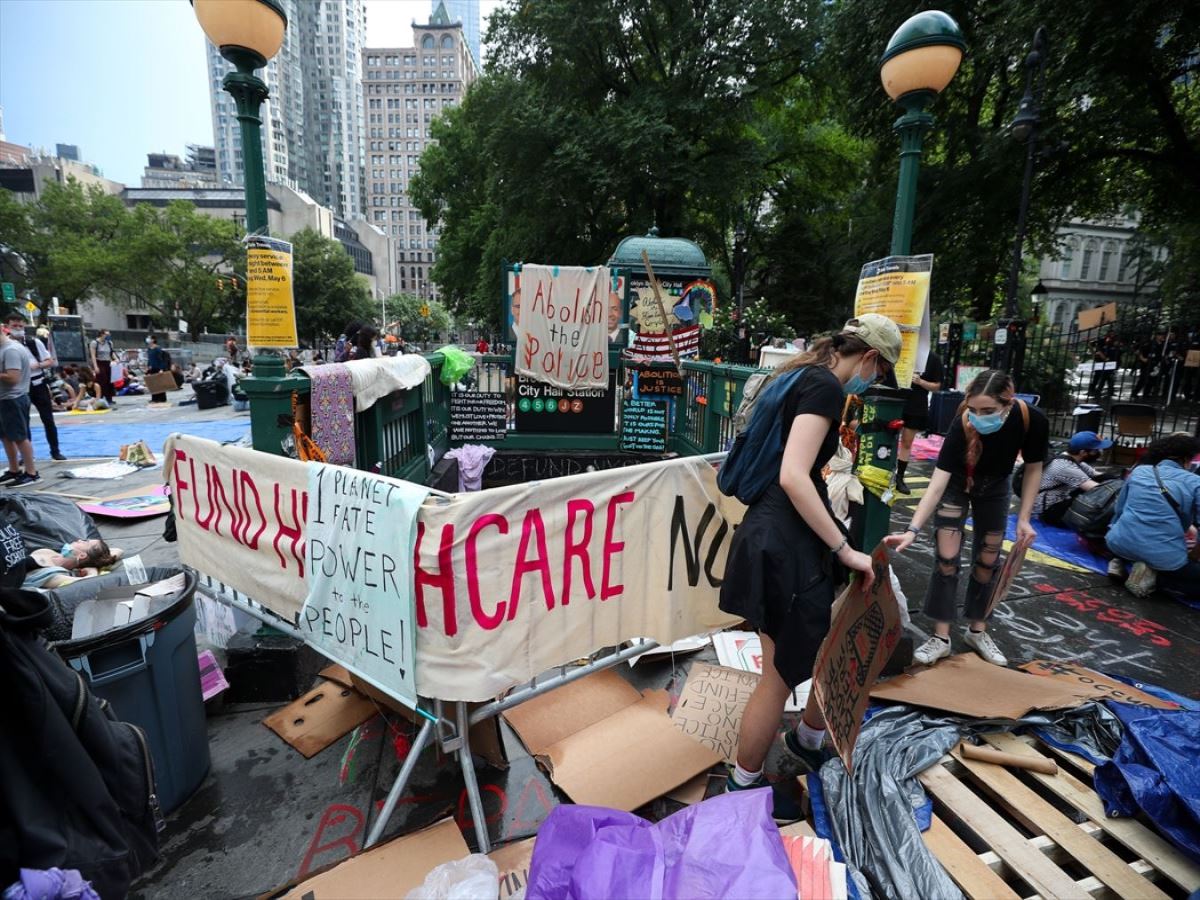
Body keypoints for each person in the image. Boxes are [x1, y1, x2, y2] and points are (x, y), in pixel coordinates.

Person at [721, 314, 900, 822]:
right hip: (784, 542)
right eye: (880, 372)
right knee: (777, 678)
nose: (875, 383)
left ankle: (801, 740)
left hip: (772, 533)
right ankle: (743, 786)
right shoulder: (824, 386)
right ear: (869, 357)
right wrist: (844, 549)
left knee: (786, 662)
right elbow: (795, 476)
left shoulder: (799, 374)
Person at [887, 369, 1048, 667]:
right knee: (946, 560)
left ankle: (978, 630)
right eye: (973, 409)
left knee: (988, 561)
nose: (978, 416)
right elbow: (937, 484)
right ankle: (941, 637)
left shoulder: (1031, 419)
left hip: (996, 486)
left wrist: (1025, 518)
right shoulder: (963, 422)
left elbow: (1034, 469)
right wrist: (912, 529)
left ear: (1008, 404)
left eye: (988, 411)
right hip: (956, 486)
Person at [1106, 433, 1200, 598]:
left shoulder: (1139, 472)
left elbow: (1119, 510)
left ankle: (1122, 560)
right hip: (1164, 556)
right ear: (1186, 459)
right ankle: (1155, 578)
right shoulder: (1194, 482)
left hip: (1117, 543)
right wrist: (1193, 555)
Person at [6, 313, 65, 461]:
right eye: (14, 326)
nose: (18, 328)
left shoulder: (34, 342)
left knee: (48, 419)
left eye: (20, 325)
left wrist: (36, 365)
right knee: (23, 422)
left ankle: (55, 450)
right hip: (19, 387)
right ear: (7, 327)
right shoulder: (6, 345)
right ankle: (26, 455)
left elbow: (49, 360)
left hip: (38, 384)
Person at [1032, 431, 1112, 525]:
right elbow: (1098, 490)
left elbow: (1097, 475)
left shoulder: (1074, 459)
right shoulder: (1065, 467)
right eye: (1095, 450)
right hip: (1045, 511)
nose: (1099, 453)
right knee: (1101, 506)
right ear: (1083, 452)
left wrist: (1120, 480)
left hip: (1060, 501)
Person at [894, 350, 944, 494]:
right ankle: (885, 472)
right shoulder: (900, 351)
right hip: (895, 400)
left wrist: (920, 381)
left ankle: (899, 477)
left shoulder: (932, 358)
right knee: (889, 437)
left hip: (916, 404)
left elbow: (937, 386)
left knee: (907, 442)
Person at [0, 323, 39, 487]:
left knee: (19, 437)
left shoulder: (11, 351)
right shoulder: (7, 349)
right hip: (5, 398)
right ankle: (14, 469)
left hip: (13, 398)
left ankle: (31, 472)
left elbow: (13, 378)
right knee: (6, 436)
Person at [23, 538, 122, 590]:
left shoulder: (56, 575)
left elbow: (86, 583)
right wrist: (95, 563)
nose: (79, 540)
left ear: (82, 555)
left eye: (85, 542)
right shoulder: (51, 553)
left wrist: (92, 572)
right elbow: (118, 550)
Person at [88, 328, 116, 404]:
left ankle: (109, 397)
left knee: (110, 380)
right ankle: (100, 396)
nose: (108, 336)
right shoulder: (94, 343)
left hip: (108, 362)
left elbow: (111, 352)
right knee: (102, 380)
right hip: (99, 362)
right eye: (106, 334)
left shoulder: (109, 343)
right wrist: (95, 366)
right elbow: (93, 355)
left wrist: (116, 359)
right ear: (102, 334)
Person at [146, 336, 169, 405]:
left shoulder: (157, 349)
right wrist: (148, 366)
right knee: (153, 384)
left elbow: (161, 360)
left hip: (158, 368)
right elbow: (149, 359)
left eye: (149, 338)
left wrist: (161, 369)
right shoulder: (149, 349)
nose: (148, 339)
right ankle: (154, 398)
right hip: (152, 368)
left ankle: (162, 398)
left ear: (153, 340)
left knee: (160, 384)